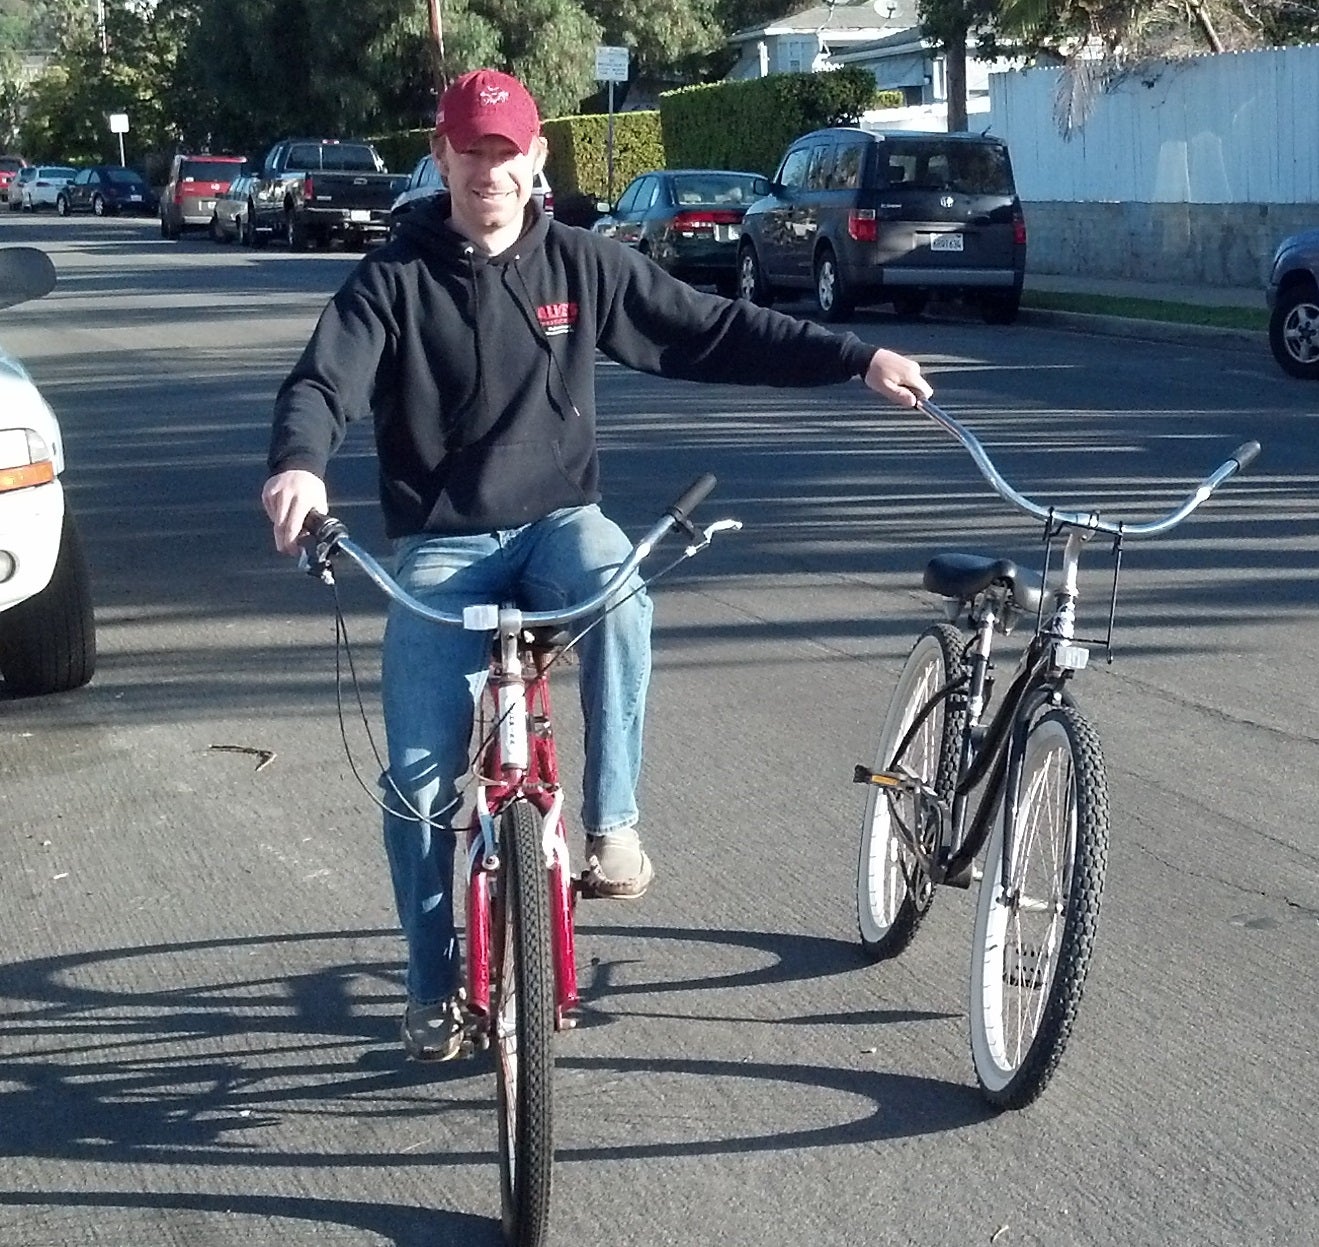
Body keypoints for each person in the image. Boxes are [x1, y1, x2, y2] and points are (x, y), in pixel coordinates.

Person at [262, 67, 933, 1062]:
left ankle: (613, 824)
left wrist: (851, 357)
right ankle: (427, 976)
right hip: (443, 545)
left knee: (618, 583)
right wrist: (298, 468)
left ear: (535, 159)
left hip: (557, 525)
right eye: (469, 151)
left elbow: (706, 329)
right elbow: (325, 379)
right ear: (441, 156)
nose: (488, 170)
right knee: (411, 784)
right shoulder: (390, 279)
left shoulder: (580, 265)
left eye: (506, 151)